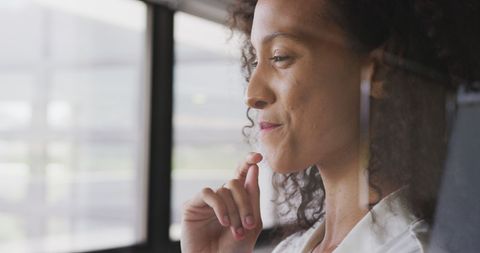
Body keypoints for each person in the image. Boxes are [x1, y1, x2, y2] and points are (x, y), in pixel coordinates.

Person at [180, 0, 480, 252]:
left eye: (280, 57)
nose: (252, 94)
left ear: (377, 72)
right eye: (256, 60)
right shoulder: (289, 249)